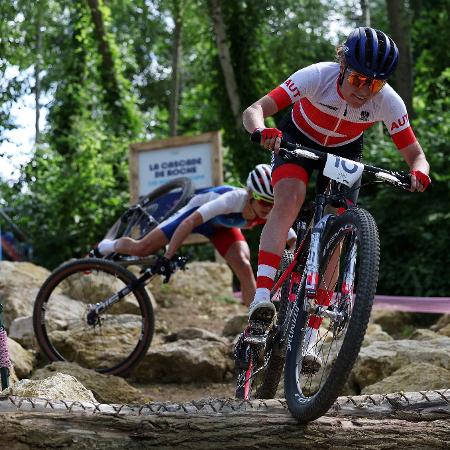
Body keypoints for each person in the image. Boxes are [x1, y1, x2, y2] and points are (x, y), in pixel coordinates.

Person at [242, 27, 431, 354]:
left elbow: (416, 156)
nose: (365, 91)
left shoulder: (388, 102)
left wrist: (419, 173)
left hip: (345, 152)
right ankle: (261, 299)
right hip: (297, 140)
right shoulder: (316, 76)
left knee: (338, 231)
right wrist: (261, 131)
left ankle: (313, 334)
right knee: (289, 199)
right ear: (342, 66)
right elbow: (254, 110)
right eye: (359, 80)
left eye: (375, 84)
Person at [97, 164, 297, 306]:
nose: (268, 208)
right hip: (192, 217)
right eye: (264, 202)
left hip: (221, 228)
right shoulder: (231, 199)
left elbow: (291, 238)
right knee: (142, 248)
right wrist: (168, 256)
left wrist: (291, 263)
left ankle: (254, 320)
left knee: (244, 265)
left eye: (273, 204)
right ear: (251, 195)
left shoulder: (269, 210)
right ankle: (106, 246)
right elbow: (189, 222)